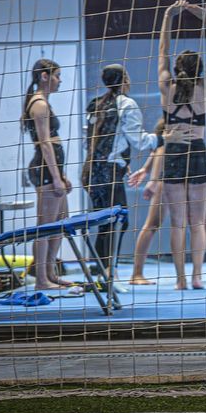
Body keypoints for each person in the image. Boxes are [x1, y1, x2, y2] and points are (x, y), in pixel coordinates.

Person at [126, 120, 206, 284]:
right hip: (169, 179)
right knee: (153, 223)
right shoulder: (176, 119)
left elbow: (160, 146)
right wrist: (153, 179)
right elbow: (161, 147)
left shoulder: (188, 116)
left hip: (187, 176)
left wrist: (146, 169)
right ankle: (137, 273)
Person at [158, 0, 206, 291]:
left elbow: (162, 51)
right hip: (196, 152)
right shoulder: (204, 88)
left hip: (173, 152)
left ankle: (181, 279)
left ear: (177, 68)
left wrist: (169, 17)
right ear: (198, 69)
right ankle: (197, 276)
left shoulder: (166, 87)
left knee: (177, 223)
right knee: (198, 222)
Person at [81, 63, 160, 281]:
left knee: (105, 221)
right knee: (118, 220)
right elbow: (139, 140)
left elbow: (94, 142)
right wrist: (161, 138)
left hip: (91, 172)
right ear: (124, 79)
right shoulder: (127, 104)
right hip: (107, 172)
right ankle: (106, 269)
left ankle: (102, 268)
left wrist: (122, 162)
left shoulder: (95, 104)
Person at [22, 58, 74, 291]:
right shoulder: (39, 104)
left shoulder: (44, 102)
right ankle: (41, 280)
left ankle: (51, 273)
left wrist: (61, 176)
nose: (59, 80)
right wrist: (55, 178)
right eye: (57, 75)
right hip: (44, 169)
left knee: (61, 223)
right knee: (45, 226)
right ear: (45, 76)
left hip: (51, 169)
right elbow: (44, 144)